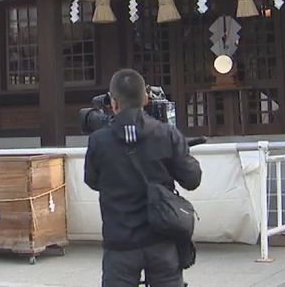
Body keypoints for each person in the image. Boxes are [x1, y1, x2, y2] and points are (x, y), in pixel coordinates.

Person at [84, 69, 202, 287]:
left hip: (119, 241)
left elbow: (92, 181)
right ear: (146, 99)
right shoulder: (167, 133)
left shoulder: (98, 140)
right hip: (162, 238)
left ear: (114, 102)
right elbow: (192, 179)